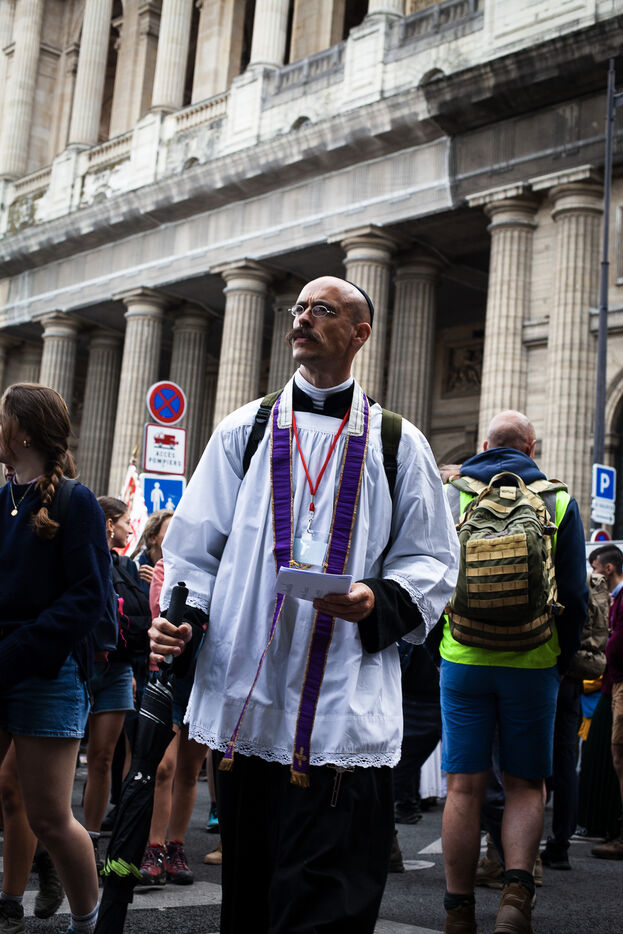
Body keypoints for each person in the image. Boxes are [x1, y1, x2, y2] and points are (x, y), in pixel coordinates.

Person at [150, 276, 459, 934]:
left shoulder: (397, 443)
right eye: (299, 308)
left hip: (344, 704)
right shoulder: (247, 429)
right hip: (250, 700)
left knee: (329, 901)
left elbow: (432, 559)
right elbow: (194, 549)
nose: (303, 318)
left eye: (323, 310)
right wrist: (183, 618)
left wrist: (377, 597)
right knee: (252, 896)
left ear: (359, 333)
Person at [439, 410, 587, 934]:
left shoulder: (452, 496)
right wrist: (560, 660)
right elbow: (575, 595)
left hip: (463, 657)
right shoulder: (558, 500)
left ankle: (458, 912)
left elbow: (429, 578)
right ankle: (514, 902)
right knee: (526, 784)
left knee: (463, 787)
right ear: (531, 448)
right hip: (533, 659)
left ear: (484, 445)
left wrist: (441, 648)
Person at [0, 383, 109, 934]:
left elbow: (88, 597)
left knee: (48, 816)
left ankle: (88, 923)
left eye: (2, 416)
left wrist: (16, 650)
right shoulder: (2, 500)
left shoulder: (76, 501)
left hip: (47, 674)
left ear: (22, 431)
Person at [82, 497, 136, 869]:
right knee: (65, 757)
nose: (130, 529)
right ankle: (50, 844)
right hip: (82, 665)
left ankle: (90, 843)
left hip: (118, 670)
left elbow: (139, 616)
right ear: (110, 523)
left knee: (102, 759)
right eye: (126, 522)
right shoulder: (83, 554)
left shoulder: (127, 566)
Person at [588, 544, 623, 858]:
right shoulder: (614, 599)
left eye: (596, 567)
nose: (593, 573)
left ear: (608, 568)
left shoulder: (620, 599)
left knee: (619, 754)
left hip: (618, 683)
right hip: (613, 684)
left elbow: (614, 645)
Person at [131, 509, 173, 591]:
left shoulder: (182, 567)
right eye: (170, 531)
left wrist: (160, 583)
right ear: (153, 538)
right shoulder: (135, 567)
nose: (176, 536)